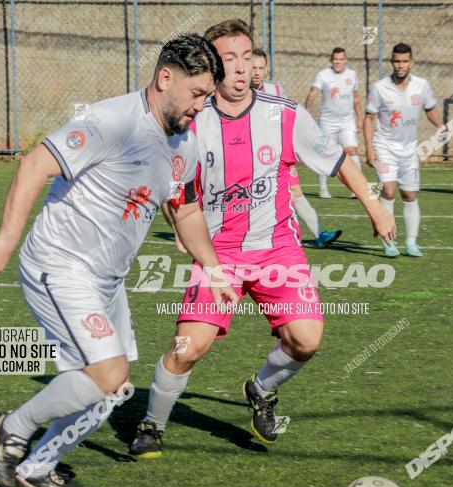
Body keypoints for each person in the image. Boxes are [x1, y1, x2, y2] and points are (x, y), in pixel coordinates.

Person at [0, 34, 237, 487]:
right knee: (109, 373)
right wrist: (5, 239)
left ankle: (37, 469)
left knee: (112, 390)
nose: (201, 107)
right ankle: (9, 431)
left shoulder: (183, 142)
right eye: (196, 94)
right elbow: (35, 164)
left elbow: (187, 212)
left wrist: (212, 268)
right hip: (61, 264)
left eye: (208, 98)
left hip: (106, 281)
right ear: (165, 78)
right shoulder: (111, 120)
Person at [129, 19, 395, 458]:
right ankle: (152, 424)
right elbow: (168, 180)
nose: (239, 67)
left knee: (306, 340)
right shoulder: (192, 121)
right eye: (228, 59)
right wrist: (179, 225)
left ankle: (260, 388)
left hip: (279, 250)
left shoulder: (284, 114)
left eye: (246, 56)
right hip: (219, 256)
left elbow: (341, 163)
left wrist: (376, 206)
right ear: (212, 66)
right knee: (187, 348)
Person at [251, 48, 341, 249]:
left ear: (266, 69)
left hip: (275, 154)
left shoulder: (275, 90)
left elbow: (278, 121)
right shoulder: (240, 93)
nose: (256, 72)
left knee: (295, 191)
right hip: (250, 158)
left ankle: (319, 234)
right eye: (252, 67)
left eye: (260, 68)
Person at [364, 42, 444, 258]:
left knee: (409, 195)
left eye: (405, 61)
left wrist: (441, 125)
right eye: (397, 61)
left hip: (409, 150)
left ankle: (411, 243)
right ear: (392, 62)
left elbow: (430, 109)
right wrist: (370, 149)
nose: (401, 65)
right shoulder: (379, 87)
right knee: (388, 190)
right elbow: (369, 118)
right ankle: (388, 241)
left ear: (412, 62)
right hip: (385, 147)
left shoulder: (422, 85)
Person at [305, 47, 363, 200]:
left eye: (341, 59)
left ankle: (357, 189)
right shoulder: (323, 75)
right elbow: (312, 95)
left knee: (352, 151)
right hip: (327, 122)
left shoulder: (352, 75)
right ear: (332, 60)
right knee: (324, 153)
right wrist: (307, 113)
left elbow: (356, 98)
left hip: (347, 121)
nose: (338, 62)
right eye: (335, 59)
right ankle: (323, 189)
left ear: (345, 60)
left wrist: (360, 118)